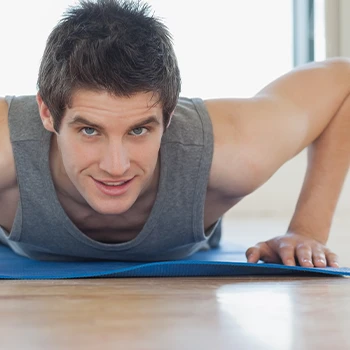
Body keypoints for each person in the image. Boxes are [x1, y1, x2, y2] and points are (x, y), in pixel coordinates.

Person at [0, 0, 348, 267]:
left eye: (139, 130)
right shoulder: (8, 146)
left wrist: (306, 232)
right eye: (90, 130)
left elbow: (343, 79)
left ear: (167, 116)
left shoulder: (233, 152)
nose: (116, 166)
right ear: (47, 113)